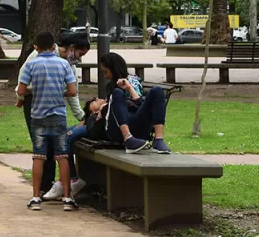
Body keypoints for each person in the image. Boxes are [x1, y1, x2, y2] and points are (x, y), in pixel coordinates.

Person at [16, 30, 78, 211]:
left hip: (38, 115)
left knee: (39, 156)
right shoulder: (64, 64)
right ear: (54, 47)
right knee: (62, 156)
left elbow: (21, 90)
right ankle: (67, 198)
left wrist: (32, 93)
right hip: (58, 115)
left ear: (36, 47)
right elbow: (73, 91)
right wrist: (60, 92)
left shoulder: (31, 65)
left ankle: (36, 197)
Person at [34, 33, 91, 201]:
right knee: (44, 150)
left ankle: (52, 187)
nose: (79, 59)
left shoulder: (69, 66)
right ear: (72, 48)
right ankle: (48, 187)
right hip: (37, 105)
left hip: (55, 111)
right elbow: (23, 84)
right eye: (80, 54)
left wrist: (82, 115)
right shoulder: (40, 57)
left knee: (51, 149)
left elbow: (73, 94)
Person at [98, 52, 171, 154]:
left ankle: (158, 139)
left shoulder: (133, 81)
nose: (104, 75)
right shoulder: (111, 86)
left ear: (114, 70)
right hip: (117, 129)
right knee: (117, 92)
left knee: (157, 90)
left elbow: (141, 105)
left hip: (136, 122)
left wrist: (129, 88)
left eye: (106, 72)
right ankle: (128, 138)